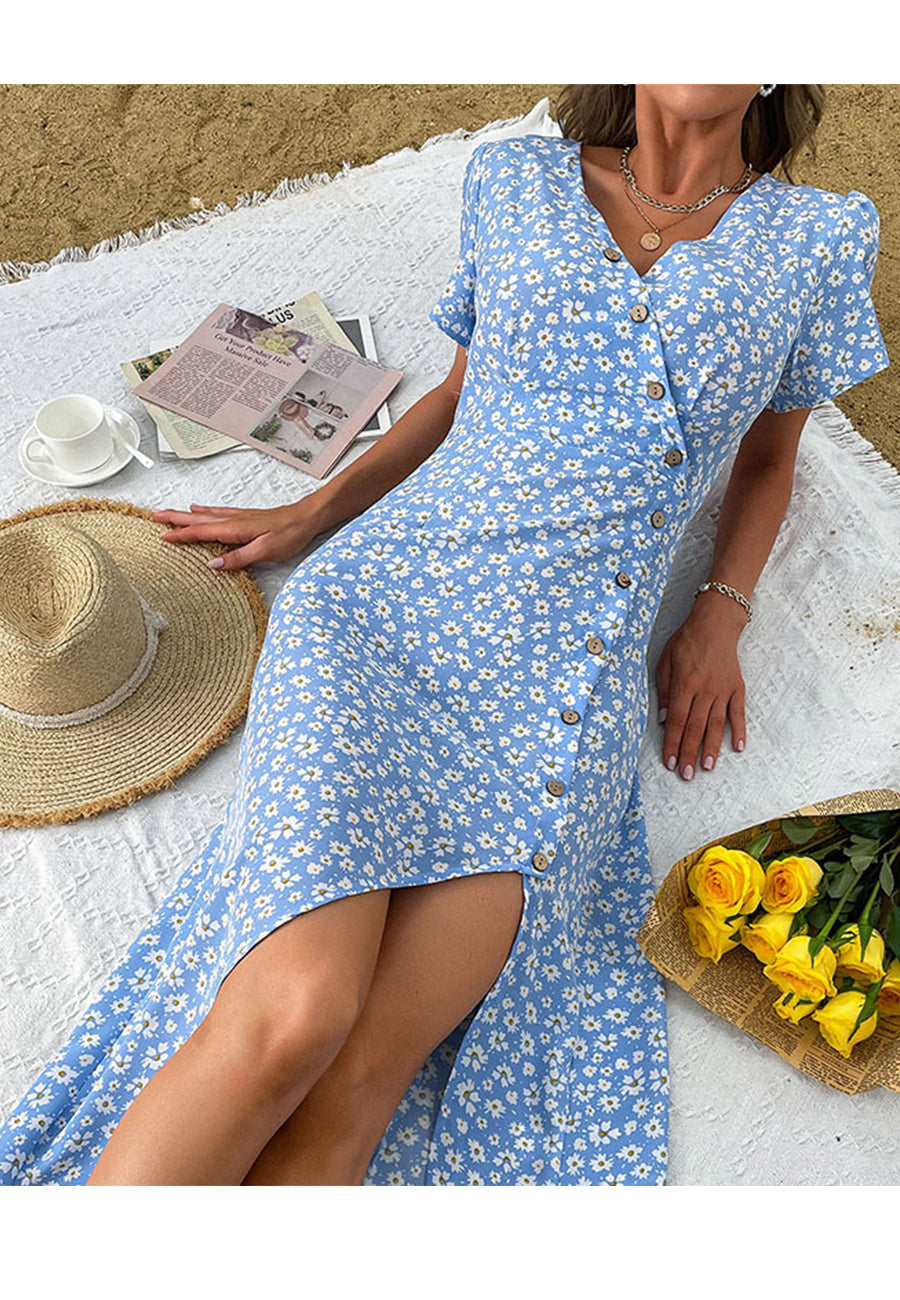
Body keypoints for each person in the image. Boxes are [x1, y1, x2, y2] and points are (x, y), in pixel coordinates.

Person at [0, 85, 888, 1187]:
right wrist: (314, 511)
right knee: (296, 1015)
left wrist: (721, 609)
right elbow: (471, 390)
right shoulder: (513, 181)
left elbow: (767, 455)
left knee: (363, 1074)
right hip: (383, 614)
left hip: (563, 683)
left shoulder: (819, 235)